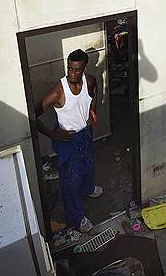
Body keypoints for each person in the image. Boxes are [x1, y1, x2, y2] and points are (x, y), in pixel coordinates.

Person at [37, 49, 103, 233]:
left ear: (84, 69)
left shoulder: (89, 80)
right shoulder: (59, 90)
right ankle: (77, 217)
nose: (72, 74)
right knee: (70, 182)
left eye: (77, 70)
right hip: (68, 139)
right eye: (70, 69)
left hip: (85, 134)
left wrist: (93, 112)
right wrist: (53, 134)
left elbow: (93, 93)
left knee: (89, 167)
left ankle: (88, 188)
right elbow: (33, 115)